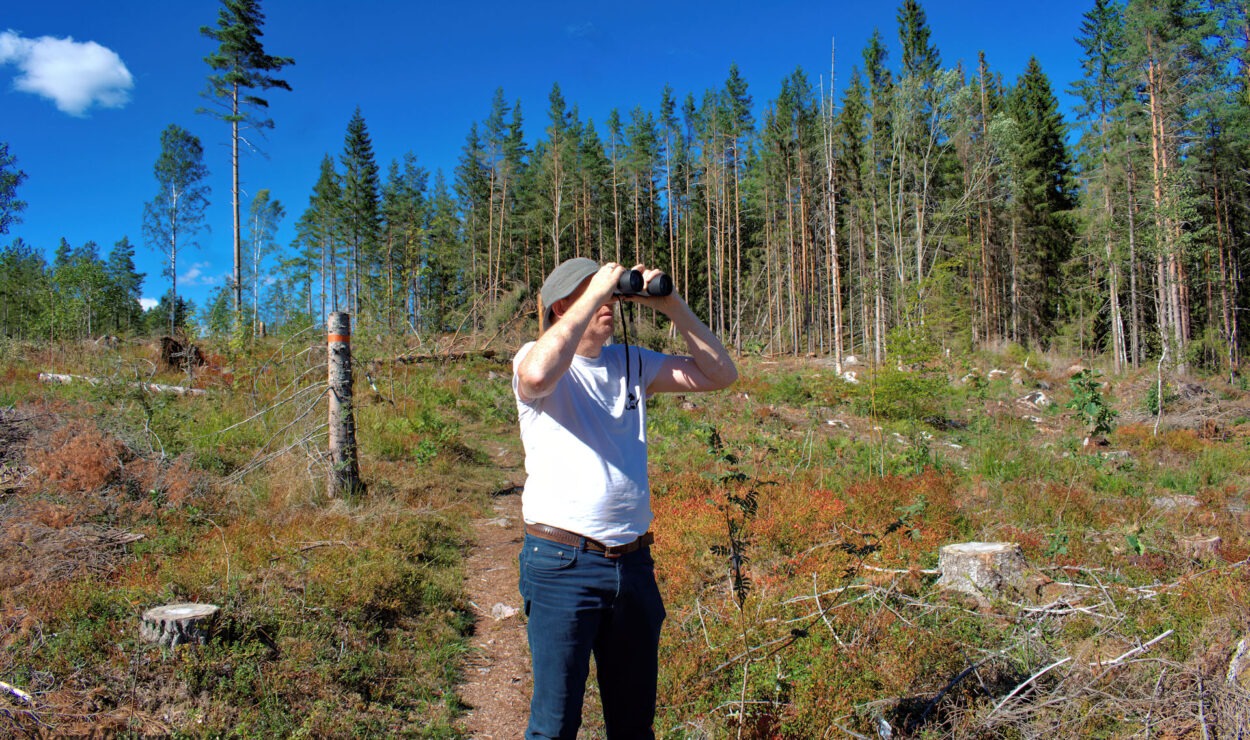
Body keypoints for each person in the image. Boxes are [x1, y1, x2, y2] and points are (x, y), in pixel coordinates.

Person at [511, 258, 738, 739]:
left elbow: (720, 375)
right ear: (561, 306)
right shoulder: (537, 357)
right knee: (554, 726)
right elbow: (534, 378)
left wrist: (670, 303)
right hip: (561, 562)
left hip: (633, 564)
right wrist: (597, 290)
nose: (609, 301)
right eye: (594, 293)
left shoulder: (631, 362)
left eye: (612, 293)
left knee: (634, 725)